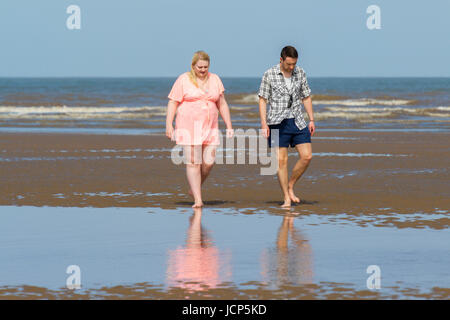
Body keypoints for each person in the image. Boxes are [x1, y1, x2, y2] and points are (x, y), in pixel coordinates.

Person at [166, 51, 233, 208]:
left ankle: (195, 187)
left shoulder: (215, 79)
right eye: (200, 67)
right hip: (188, 126)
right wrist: (169, 124)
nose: (203, 69)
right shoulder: (183, 79)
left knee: (208, 162)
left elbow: (222, 103)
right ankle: (198, 199)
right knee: (193, 163)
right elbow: (173, 102)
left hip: (210, 126)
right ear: (193, 66)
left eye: (205, 67)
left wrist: (229, 125)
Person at [258, 46, 315, 208]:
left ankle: (291, 185)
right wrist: (263, 123)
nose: (291, 67)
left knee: (307, 156)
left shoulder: (300, 73)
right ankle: (286, 198)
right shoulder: (269, 74)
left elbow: (306, 96)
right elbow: (263, 99)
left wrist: (311, 119)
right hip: (276, 123)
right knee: (281, 161)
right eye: (288, 64)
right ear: (281, 60)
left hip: (297, 121)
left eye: (294, 64)